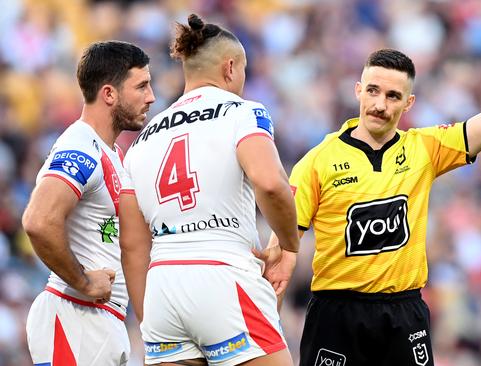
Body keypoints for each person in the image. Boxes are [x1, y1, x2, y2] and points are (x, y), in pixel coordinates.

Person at [261, 28, 481, 365]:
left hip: (403, 311)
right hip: (337, 311)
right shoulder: (318, 162)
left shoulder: (424, 149)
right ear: (357, 90)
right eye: (372, 90)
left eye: (393, 96)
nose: (380, 104)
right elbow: (286, 243)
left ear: (409, 102)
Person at [118, 14, 299, 366]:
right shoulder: (243, 113)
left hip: (162, 287)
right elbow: (270, 183)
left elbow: (132, 243)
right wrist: (288, 244)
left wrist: (150, 321)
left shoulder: (142, 139)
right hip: (223, 274)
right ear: (230, 68)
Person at [21, 40, 155, 365]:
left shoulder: (110, 152)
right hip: (75, 317)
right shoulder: (81, 147)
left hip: (100, 321)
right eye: (141, 86)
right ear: (109, 94)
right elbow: (38, 221)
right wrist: (81, 281)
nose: (151, 96)